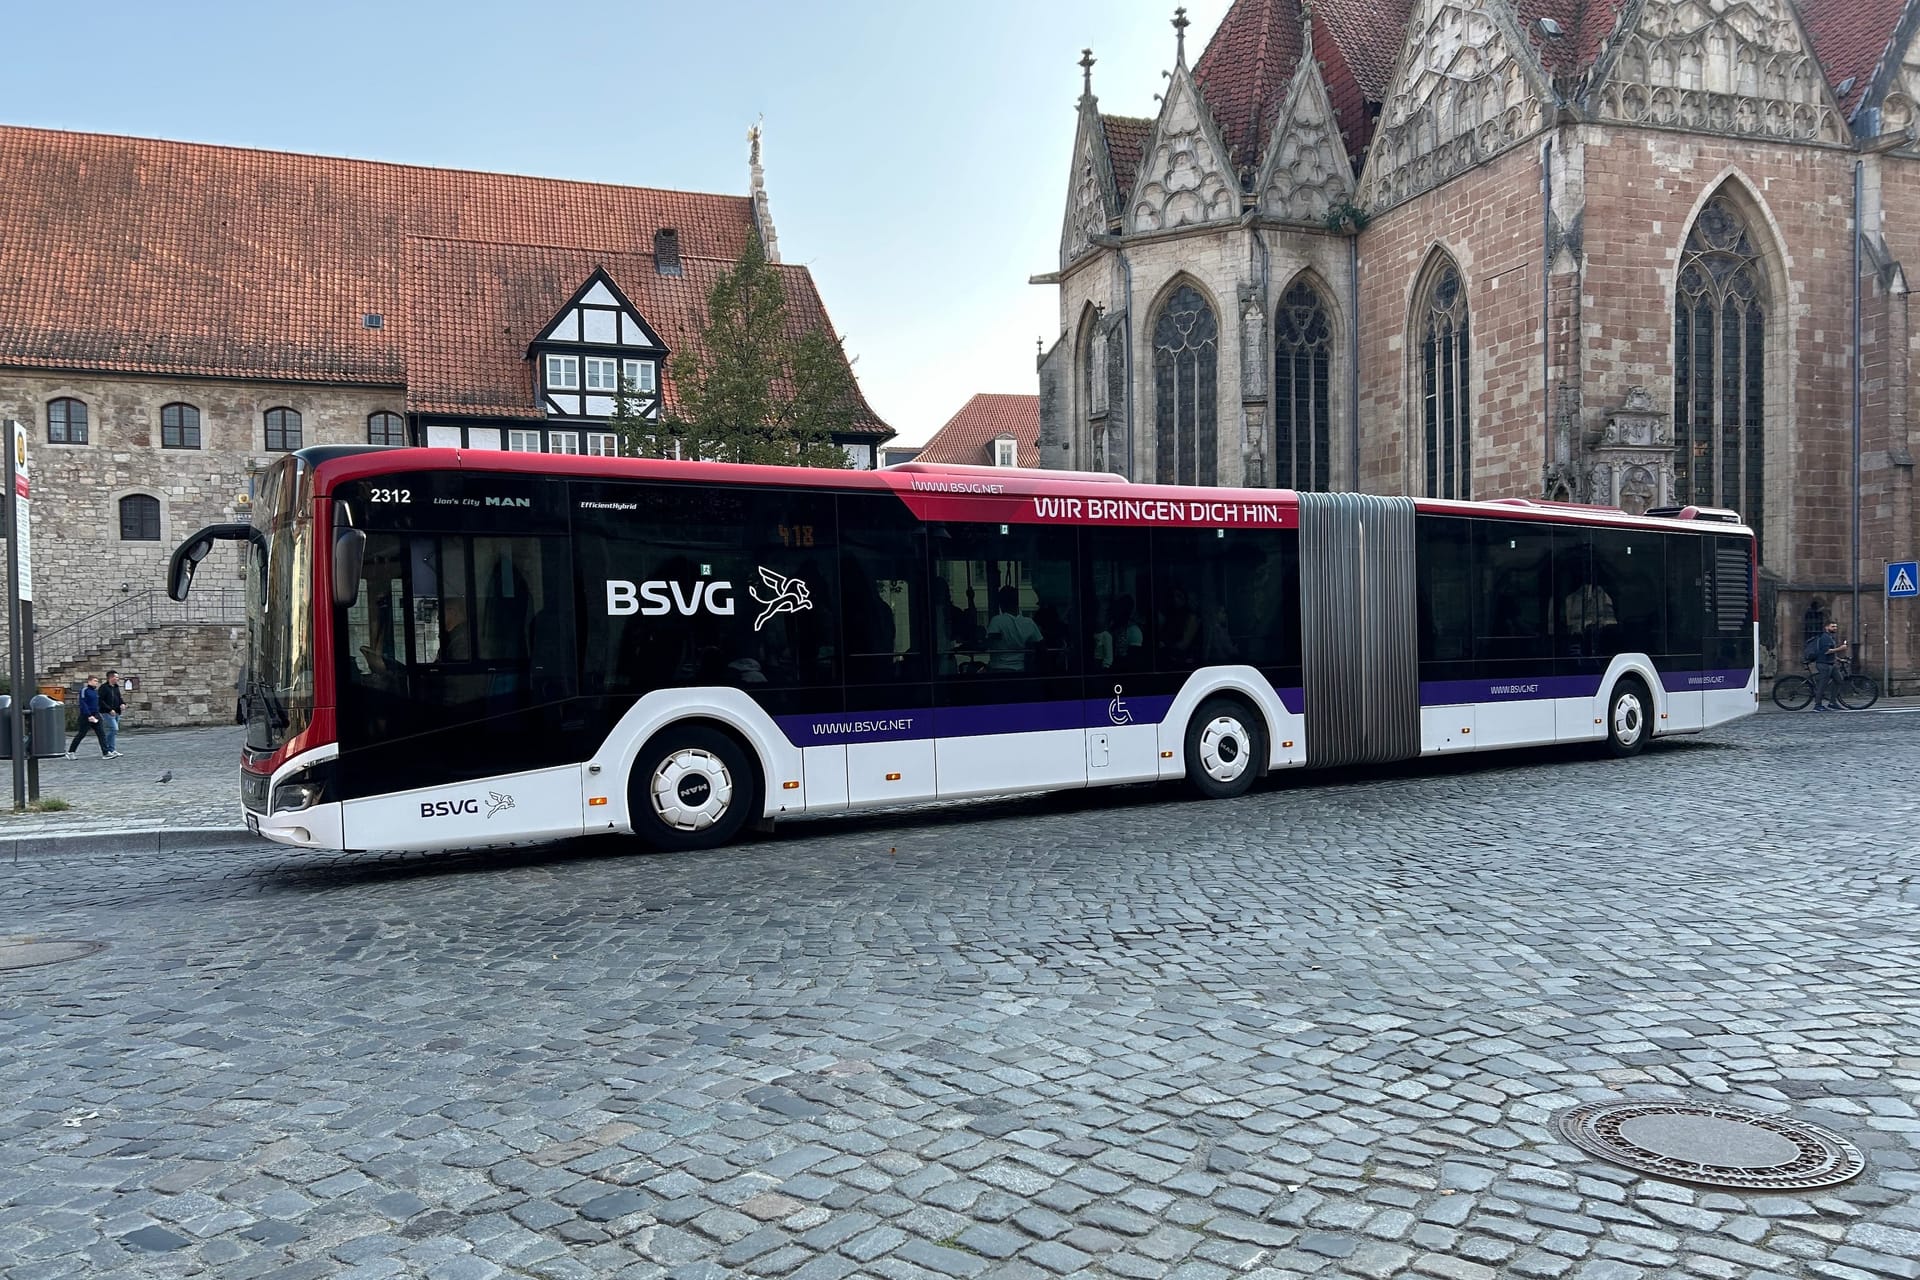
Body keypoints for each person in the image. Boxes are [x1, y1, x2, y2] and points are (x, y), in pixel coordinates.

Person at [983, 586, 1042, 673]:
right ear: (1017, 602)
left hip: (999, 669)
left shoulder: (997, 621)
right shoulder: (1029, 622)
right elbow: (1041, 644)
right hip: (1020, 669)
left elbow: (989, 642)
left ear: (1001, 604)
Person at [1808, 620, 1850, 711]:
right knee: (1822, 685)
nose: (1835, 628)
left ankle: (1832, 702)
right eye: (1832, 626)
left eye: (1835, 626)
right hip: (1823, 664)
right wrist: (1840, 648)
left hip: (1831, 663)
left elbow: (1831, 653)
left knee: (1839, 680)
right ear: (1826, 627)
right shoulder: (1825, 638)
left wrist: (1839, 659)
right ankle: (1817, 705)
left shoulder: (1830, 637)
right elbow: (1826, 651)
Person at [65, 676, 110, 759]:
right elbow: (83, 704)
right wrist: (89, 715)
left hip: (96, 715)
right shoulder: (84, 691)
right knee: (81, 734)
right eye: (95, 681)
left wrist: (98, 714)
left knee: (101, 734)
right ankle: (71, 752)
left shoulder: (95, 692)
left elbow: (97, 704)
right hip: (86, 716)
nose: (96, 682)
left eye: (97, 681)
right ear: (89, 681)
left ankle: (106, 753)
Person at [99, 670, 125, 757]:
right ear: (110, 678)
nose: (117, 679)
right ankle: (106, 748)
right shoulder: (103, 687)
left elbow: (119, 697)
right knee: (114, 729)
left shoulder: (116, 687)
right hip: (107, 712)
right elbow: (100, 701)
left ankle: (112, 749)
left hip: (117, 711)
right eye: (116, 677)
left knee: (113, 731)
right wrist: (109, 709)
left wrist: (122, 703)